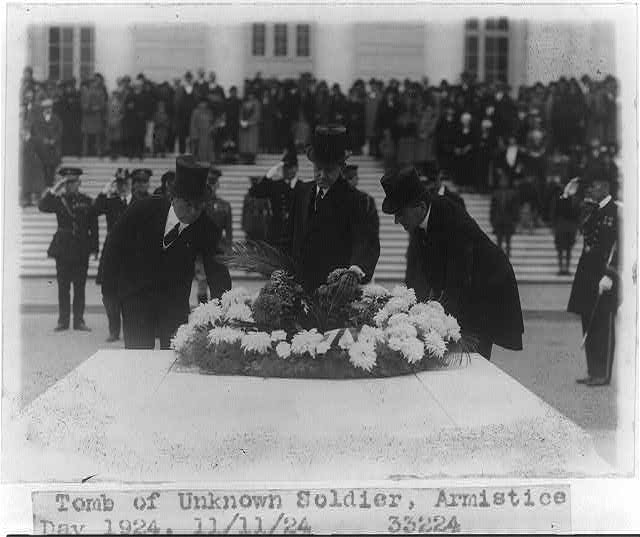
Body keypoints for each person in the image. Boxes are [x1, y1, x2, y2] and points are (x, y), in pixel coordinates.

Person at [383, 166, 523, 359]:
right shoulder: (419, 223)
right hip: (467, 285)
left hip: (487, 286)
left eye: (400, 214)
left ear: (421, 207)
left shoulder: (450, 217)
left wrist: (435, 314)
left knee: (472, 356)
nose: (397, 221)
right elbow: (433, 274)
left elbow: (458, 277)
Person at [100, 156, 232, 349]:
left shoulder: (206, 227)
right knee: (137, 361)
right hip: (136, 299)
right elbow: (113, 248)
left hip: (174, 305)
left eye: (199, 206)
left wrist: (223, 307)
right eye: (189, 205)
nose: (194, 212)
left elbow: (217, 269)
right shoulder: (142, 209)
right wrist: (110, 294)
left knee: (173, 362)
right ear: (174, 197)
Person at [284, 124, 380, 292]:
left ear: (341, 167)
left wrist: (354, 271)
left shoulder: (359, 201)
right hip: (299, 291)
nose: (321, 175)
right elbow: (289, 236)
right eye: (317, 168)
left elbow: (366, 243)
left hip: (336, 295)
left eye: (328, 170)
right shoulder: (301, 192)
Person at [567, 166, 619, 386]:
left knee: (603, 323)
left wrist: (610, 275)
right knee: (588, 320)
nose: (591, 189)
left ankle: (603, 373)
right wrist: (567, 195)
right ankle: (593, 370)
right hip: (587, 273)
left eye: (595, 185)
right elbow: (570, 216)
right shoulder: (591, 208)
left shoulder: (615, 212)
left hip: (604, 274)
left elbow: (620, 246)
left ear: (605, 187)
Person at [39, 167, 99, 331]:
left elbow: (93, 225)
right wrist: (56, 187)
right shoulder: (58, 200)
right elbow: (42, 206)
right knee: (63, 287)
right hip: (63, 249)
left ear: (79, 183)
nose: (70, 185)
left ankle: (79, 321)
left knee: (79, 287)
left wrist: (95, 247)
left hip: (81, 248)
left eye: (73, 182)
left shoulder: (87, 201)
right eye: (67, 182)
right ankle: (63, 321)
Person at [94, 168, 132, 342]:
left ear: (129, 183)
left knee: (131, 291)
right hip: (111, 252)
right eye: (119, 183)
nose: (122, 186)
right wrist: (105, 191)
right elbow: (93, 211)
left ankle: (131, 328)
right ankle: (114, 329)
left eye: (125, 182)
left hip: (132, 252)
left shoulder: (138, 201)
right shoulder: (110, 201)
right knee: (108, 291)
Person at [247, 147, 299, 249]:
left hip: (295, 234)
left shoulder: (303, 187)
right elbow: (254, 192)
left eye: (289, 167)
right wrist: (268, 176)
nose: (286, 170)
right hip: (276, 235)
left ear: (296, 168)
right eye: (284, 168)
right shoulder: (276, 185)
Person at [195, 166, 233, 303]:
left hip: (218, 250)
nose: (211, 185)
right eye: (208, 182)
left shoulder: (224, 205)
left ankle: (215, 313)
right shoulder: (198, 205)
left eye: (213, 182)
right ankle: (202, 313)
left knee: (219, 284)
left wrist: (228, 251)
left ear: (218, 184)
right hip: (201, 249)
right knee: (202, 282)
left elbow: (228, 233)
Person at [549, 177, 580, 275]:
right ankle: (561, 268)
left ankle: (566, 268)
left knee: (568, 249)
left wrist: (577, 227)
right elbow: (554, 212)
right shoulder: (559, 198)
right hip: (561, 225)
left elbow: (577, 214)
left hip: (571, 226)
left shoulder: (575, 199)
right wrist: (553, 226)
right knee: (560, 249)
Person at [489, 167, 520, 258]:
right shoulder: (496, 194)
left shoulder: (512, 194)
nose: (503, 182)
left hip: (508, 221)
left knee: (508, 241)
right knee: (498, 241)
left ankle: (507, 257)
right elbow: (492, 209)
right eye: (501, 180)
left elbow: (515, 209)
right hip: (498, 220)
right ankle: (499, 258)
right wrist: (492, 220)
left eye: (504, 180)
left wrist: (515, 219)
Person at [31, 98, 62, 187]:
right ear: (43, 109)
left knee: (52, 167)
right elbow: (36, 131)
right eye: (46, 107)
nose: (48, 109)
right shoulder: (38, 119)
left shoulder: (56, 118)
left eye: (50, 107)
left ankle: (50, 184)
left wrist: (54, 140)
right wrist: (43, 140)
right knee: (43, 166)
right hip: (43, 148)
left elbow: (59, 131)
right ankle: (45, 184)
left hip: (53, 148)